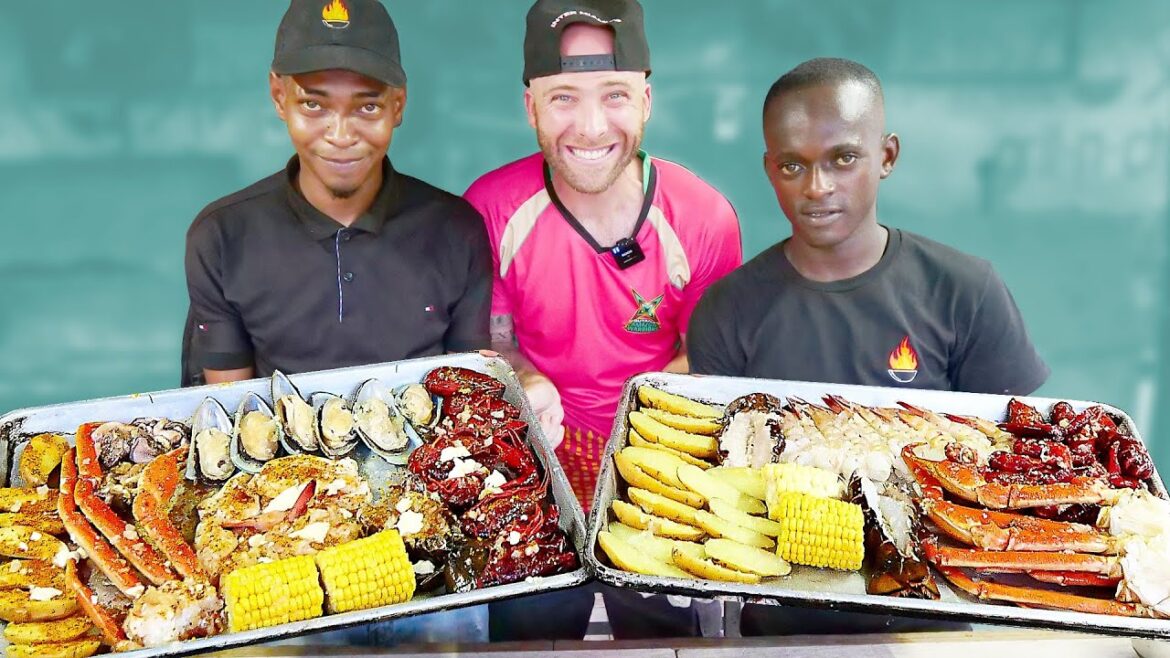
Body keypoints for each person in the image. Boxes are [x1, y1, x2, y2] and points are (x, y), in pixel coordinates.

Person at [687, 57, 1049, 635]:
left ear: (886, 156)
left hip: (934, 612)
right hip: (778, 614)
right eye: (791, 165)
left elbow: (1009, 462)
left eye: (843, 158)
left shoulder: (965, 291)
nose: (817, 186)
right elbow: (726, 479)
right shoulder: (728, 310)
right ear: (769, 169)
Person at [180, 0, 490, 644]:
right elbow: (229, 413)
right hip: (279, 537)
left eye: (368, 107)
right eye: (314, 103)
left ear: (399, 106)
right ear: (278, 95)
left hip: (420, 526)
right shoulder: (222, 234)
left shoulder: (456, 229)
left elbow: (465, 401)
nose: (341, 132)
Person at [464, 0, 742, 641]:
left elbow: (713, 354)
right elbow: (489, 338)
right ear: (530, 107)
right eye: (563, 97)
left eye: (613, 95)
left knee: (659, 641)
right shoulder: (492, 208)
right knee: (531, 641)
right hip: (534, 461)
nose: (590, 127)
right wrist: (525, 378)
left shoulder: (704, 217)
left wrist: (641, 424)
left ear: (646, 100)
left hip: (656, 468)